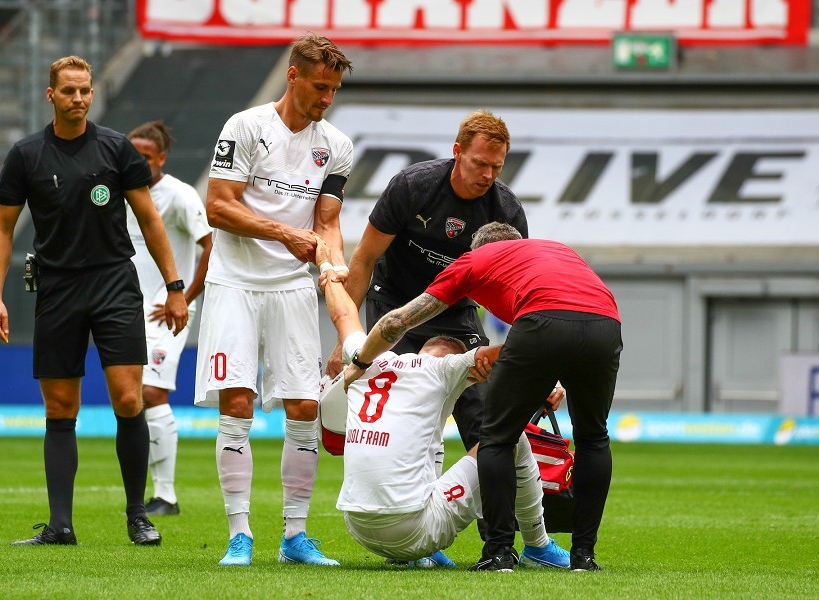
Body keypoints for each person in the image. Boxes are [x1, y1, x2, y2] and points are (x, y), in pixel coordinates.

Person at [0, 56, 188, 547]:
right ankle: (60, 526)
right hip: (56, 287)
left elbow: (150, 221)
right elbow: (3, 229)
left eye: (85, 91)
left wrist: (175, 287)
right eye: (69, 91)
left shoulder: (116, 149)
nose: (78, 98)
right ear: (50, 95)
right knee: (60, 407)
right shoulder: (26, 154)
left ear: (92, 94)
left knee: (127, 397)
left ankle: (138, 515)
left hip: (115, 284)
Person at [343, 222, 622, 572]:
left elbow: (397, 322)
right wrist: (549, 378)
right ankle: (584, 556)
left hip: (542, 320)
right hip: (605, 321)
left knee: (497, 437)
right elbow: (570, 312)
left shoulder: (474, 261)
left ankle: (499, 552)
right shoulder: (553, 250)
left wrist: (361, 361)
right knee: (594, 437)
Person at [193, 33, 353, 567]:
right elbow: (217, 206)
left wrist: (333, 270)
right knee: (236, 402)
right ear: (293, 75)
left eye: (333, 89)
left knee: (305, 406)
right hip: (234, 282)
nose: (326, 98)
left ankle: (294, 536)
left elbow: (326, 222)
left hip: (291, 288)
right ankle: (240, 535)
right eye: (319, 86)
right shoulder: (245, 126)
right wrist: (284, 235)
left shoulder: (337, 145)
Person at [326, 110, 527, 456]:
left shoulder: (506, 211)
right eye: (480, 163)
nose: (488, 175)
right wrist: (342, 344)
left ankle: (490, 510)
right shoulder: (412, 186)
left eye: (497, 167)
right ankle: (400, 507)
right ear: (457, 152)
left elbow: (519, 293)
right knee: (397, 417)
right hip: (393, 305)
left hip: (456, 312)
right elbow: (364, 258)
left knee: (484, 419)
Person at [126, 120, 213, 517]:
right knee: (132, 398)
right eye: (133, 155)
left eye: (145, 156)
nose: (138, 162)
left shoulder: (179, 195)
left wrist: (183, 298)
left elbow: (211, 247)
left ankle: (166, 496)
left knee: (151, 393)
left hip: (167, 310)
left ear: (161, 157)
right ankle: (153, 493)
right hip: (125, 307)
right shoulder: (119, 193)